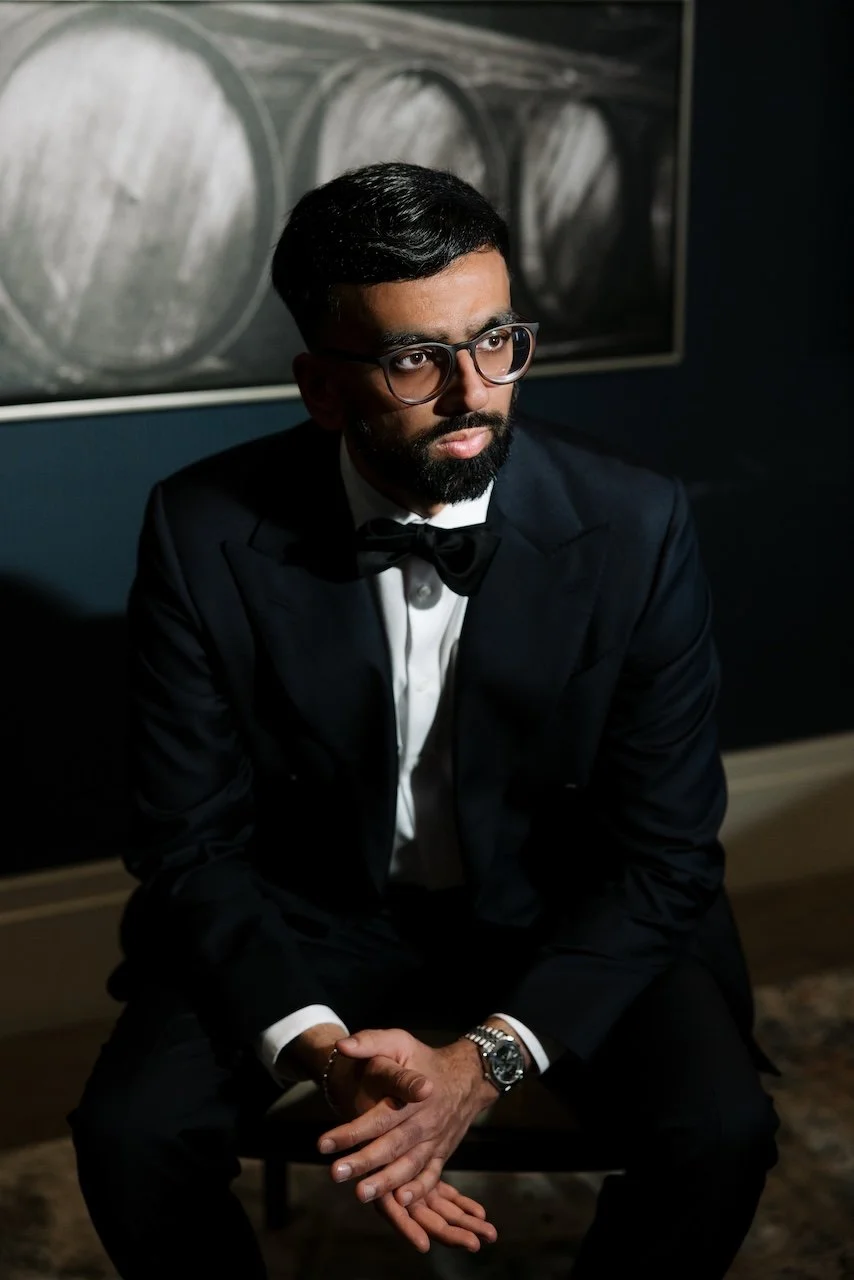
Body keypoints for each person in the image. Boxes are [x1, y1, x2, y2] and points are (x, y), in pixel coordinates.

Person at [69, 161, 780, 1279]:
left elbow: (664, 851)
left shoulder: (636, 524)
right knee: (126, 1133)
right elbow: (187, 842)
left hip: (564, 907)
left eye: (495, 339)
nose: (472, 390)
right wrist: (313, 1042)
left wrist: (486, 1059)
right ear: (317, 386)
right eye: (414, 358)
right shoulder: (200, 526)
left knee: (721, 1133)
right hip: (303, 908)